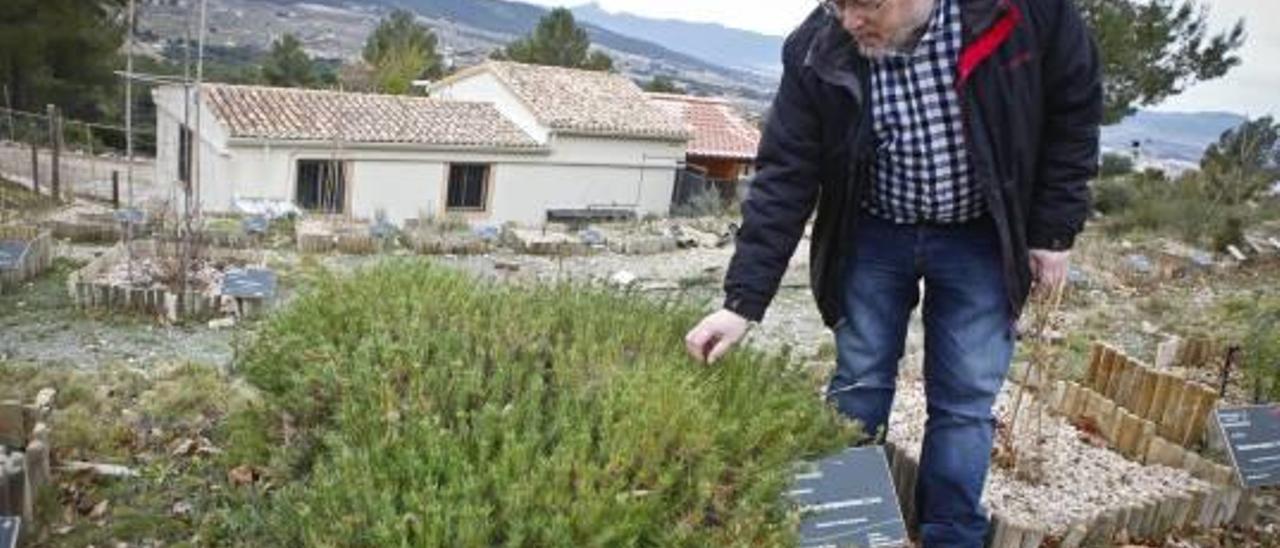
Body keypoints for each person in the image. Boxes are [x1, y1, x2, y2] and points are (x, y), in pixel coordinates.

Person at [683, 0, 1101, 544]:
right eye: (839, 3)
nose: (850, 20)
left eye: (867, 4)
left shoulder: (1023, 14)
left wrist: (1051, 232)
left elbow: (1074, 112)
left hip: (980, 231)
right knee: (858, 384)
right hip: (874, 229)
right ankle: (844, 527)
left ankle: (949, 533)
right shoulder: (816, 48)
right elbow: (786, 174)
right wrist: (741, 303)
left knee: (965, 401)